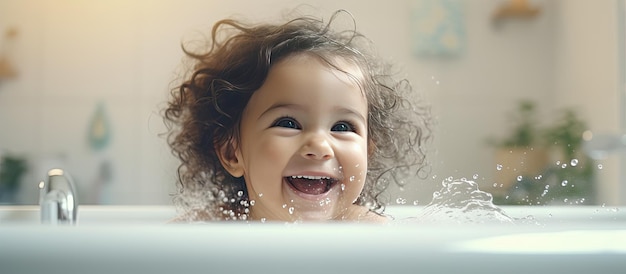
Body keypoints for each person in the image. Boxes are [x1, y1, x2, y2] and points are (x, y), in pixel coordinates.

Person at [164, 10, 431, 222]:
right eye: (288, 123)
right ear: (233, 152)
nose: (319, 146)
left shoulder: (371, 235)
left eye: (342, 126)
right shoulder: (207, 231)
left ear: (367, 153)